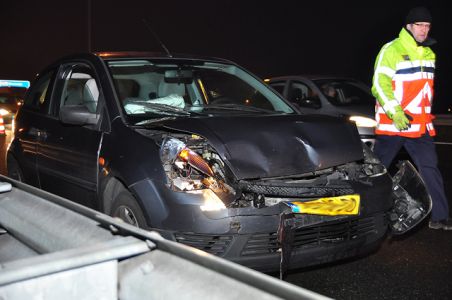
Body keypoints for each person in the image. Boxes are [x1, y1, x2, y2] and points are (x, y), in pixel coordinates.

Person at [371, 6, 451, 230]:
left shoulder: (429, 53)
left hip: (419, 127)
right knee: (377, 173)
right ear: (409, 26)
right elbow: (379, 84)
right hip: (394, 125)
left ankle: (439, 217)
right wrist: (395, 112)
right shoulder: (391, 49)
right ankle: (365, 217)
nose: (424, 30)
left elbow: (423, 93)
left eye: (427, 26)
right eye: (420, 25)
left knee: (430, 169)